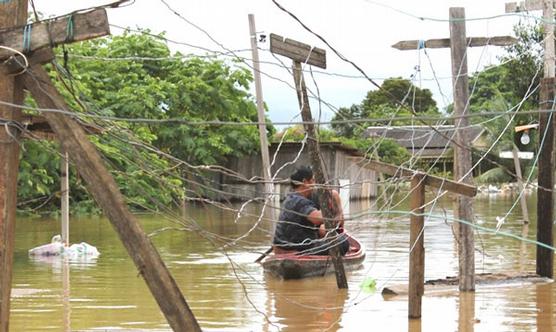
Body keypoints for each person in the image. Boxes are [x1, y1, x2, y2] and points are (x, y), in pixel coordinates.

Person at [272, 166, 349, 256]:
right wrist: (336, 211)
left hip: (287, 246)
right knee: (342, 241)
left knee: (323, 231)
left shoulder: (290, 197)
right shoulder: (299, 201)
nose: (314, 184)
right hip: (297, 249)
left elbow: (331, 195)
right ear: (305, 182)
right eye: (312, 180)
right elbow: (318, 218)